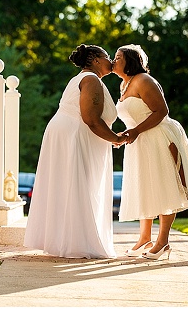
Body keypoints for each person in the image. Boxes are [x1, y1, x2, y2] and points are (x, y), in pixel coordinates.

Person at [23, 44, 124, 259]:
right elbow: (90, 119)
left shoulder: (80, 78)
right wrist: (115, 139)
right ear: (96, 59)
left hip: (64, 131)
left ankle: (65, 240)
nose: (111, 62)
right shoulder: (91, 80)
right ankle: (78, 243)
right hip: (75, 134)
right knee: (78, 185)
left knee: (68, 185)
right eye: (108, 57)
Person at [112, 44, 188, 260]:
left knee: (164, 186)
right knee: (145, 188)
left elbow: (162, 111)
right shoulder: (125, 84)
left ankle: (163, 242)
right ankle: (144, 238)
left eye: (118, 57)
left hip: (158, 138)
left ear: (130, 61)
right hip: (140, 142)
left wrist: (135, 131)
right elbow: (135, 116)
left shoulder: (143, 80)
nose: (113, 60)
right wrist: (126, 135)